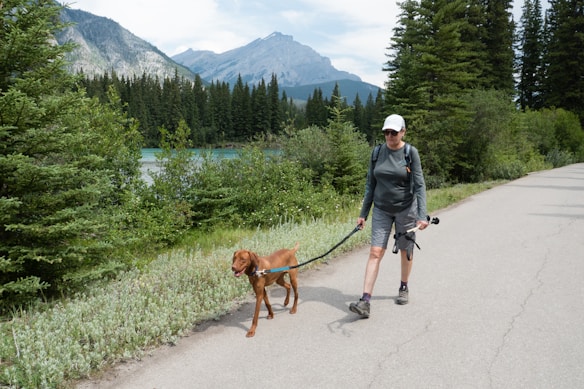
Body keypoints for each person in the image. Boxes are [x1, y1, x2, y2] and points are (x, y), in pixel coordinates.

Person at [349, 114, 428, 318]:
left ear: (403, 131)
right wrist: (363, 213)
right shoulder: (377, 153)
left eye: (394, 132)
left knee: (405, 250)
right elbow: (370, 184)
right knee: (375, 252)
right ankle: (365, 300)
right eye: (386, 132)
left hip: (406, 209)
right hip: (382, 209)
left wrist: (422, 215)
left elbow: (419, 185)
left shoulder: (411, 153)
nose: (390, 136)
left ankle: (403, 286)